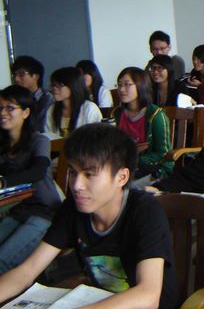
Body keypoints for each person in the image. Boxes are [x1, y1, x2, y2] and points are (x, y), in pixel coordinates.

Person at [0, 123, 179, 309]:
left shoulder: (145, 211)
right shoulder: (72, 209)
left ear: (122, 177)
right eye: (73, 172)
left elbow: (148, 296)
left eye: (89, 174)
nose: (77, 185)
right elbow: (27, 271)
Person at [0, 85, 61, 275]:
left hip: (44, 211)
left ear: (26, 112)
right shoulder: (2, 144)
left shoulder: (38, 140)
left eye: (10, 108)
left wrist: (3, 182)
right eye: (0, 108)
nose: (3, 113)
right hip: (17, 210)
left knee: (3, 260)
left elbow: (38, 171)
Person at [113, 67, 173, 182]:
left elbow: (163, 153)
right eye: (119, 85)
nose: (121, 89)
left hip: (152, 170)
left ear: (141, 86)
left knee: (121, 186)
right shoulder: (118, 113)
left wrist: (133, 158)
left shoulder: (156, 115)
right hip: (124, 168)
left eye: (127, 84)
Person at [45, 67, 102, 138]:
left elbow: (95, 137)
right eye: (53, 85)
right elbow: (48, 137)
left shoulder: (89, 108)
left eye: (60, 84)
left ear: (73, 85)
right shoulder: (51, 110)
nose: (54, 88)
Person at [11, 56, 52, 132]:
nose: (16, 79)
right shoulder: (13, 99)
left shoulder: (47, 99)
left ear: (35, 76)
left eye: (21, 74)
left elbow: (40, 128)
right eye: (14, 74)